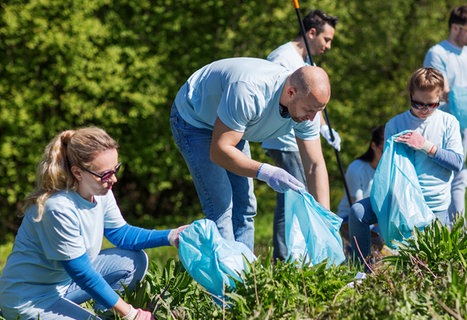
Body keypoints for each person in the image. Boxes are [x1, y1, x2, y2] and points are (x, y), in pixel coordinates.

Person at [0, 127, 187, 320]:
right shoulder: (58, 208)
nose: (113, 179)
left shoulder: (99, 191)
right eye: (105, 175)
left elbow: (121, 234)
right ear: (78, 173)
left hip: (64, 286)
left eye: (116, 169)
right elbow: (82, 273)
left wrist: (172, 236)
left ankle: (106, 313)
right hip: (29, 299)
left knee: (133, 260)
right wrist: (131, 314)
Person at [170, 57, 331, 253]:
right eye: (309, 110)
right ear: (291, 92)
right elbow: (219, 151)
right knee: (221, 206)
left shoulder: (308, 106)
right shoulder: (250, 91)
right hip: (194, 119)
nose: (312, 118)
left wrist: (325, 220)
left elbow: (314, 165)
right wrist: (266, 171)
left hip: (232, 125)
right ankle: (228, 279)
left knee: (246, 207)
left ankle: (246, 275)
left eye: (318, 111)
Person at [349, 67, 464, 260]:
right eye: (418, 104)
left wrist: (426, 146)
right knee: (357, 212)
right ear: (410, 95)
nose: (424, 110)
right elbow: (388, 169)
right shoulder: (395, 124)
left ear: (440, 98)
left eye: (431, 105)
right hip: (400, 202)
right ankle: (363, 269)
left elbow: (457, 162)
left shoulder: (448, 123)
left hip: (433, 205)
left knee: (429, 262)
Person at [262, 9, 340, 261]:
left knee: (294, 195)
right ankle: (284, 259)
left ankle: (299, 255)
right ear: (311, 33)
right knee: (293, 194)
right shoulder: (283, 57)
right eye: (326, 39)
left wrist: (324, 129)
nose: (328, 46)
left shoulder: (307, 62)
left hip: (298, 137)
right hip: (283, 140)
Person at [423, 5, 467, 220]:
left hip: (463, 125)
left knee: (460, 175)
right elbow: (442, 92)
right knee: (439, 175)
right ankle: (435, 228)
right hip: (441, 125)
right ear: (455, 28)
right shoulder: (437, 53)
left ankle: (457, 229)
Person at [337, 125, 385, 221]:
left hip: (378, 219)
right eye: (383, 150)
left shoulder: (390, 170)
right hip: (350, 218)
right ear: (373, 146)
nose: (386, 155)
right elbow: (358, 207)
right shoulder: (356, 168)